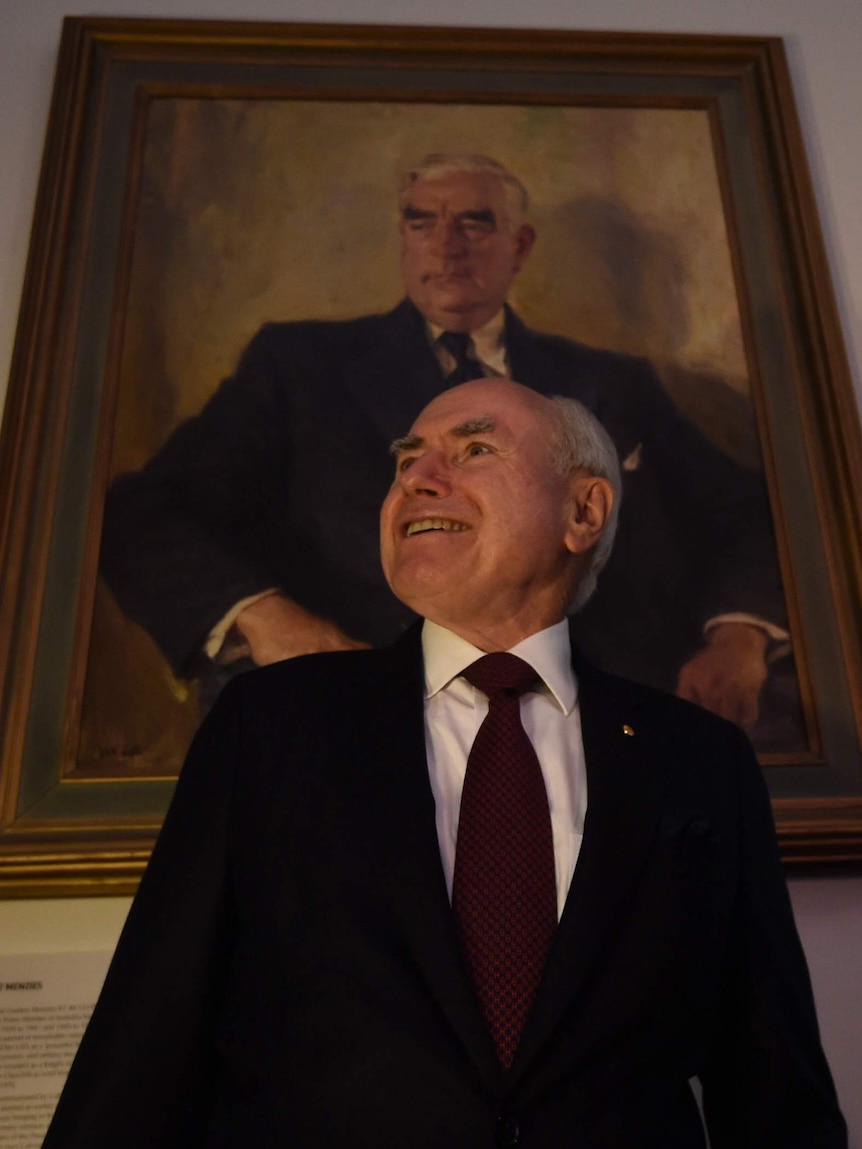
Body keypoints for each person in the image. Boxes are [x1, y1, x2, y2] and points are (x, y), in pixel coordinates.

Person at [45, 380, 843, 1147]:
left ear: (584, 510)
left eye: (472, 450)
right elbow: (144, 1052)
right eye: (406, 459)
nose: (418, 479)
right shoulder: (269, 726)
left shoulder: (699, 761)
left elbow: (773, 1093)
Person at [100, 153, 785, 729]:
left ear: (520, 247)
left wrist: (739, 634)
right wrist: (264, 617)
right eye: (421, 221)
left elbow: (749, 515)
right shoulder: (297, 367)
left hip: (605, 727)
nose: (446, 244)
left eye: (475, 222)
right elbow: (143, 513)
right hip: (366, 721)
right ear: (402, 240)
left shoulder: (613, 382)